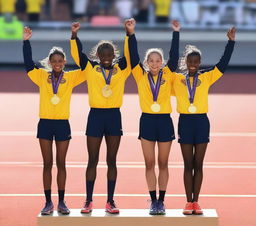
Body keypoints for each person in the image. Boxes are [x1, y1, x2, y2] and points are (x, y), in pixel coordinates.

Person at [172, 27, 236, 215]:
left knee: (198, 164)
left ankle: (196, 202)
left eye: (195, 61)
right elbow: (170, 61)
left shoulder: (207, 77)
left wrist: (231, 43)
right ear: (185, 62)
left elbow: (222, 64)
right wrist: (176, 34)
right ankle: (187, 202)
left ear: (200, 63)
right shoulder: (177, 79)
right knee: (188, 164)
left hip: (201, 122)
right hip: (185, 122)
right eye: (189, 61)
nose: (192, 64)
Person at [23, 26, 86, 215]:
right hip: (45, 124)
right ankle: (48, 202)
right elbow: (28, 64)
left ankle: (62, 201)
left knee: (61, 163)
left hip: (62, 124)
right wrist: (26, 41)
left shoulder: (72, 77)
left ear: (65, 61)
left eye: (60, 60)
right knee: (47, 163)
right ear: (49, 62)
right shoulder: (42, 76)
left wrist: (74, 37)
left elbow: (85, 66)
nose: (57, 63)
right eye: (54, 61)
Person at [70, 21, 131, 214]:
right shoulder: (91, 69)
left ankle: (110, 201)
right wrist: (74, 36)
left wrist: (129, 34)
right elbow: (77, 56)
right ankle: (88, 200)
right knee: (92, 160)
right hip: (95, 116)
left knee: (112, 160)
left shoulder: (121, 70)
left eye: (109, 55)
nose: (106, 58)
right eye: (102, 56)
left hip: (114, 116)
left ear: (114, 56)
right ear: (98, 56)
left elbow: (132, 56)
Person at [126, 18, 180, 215]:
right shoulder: (140, 75)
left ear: (162, 63)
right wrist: (131, 33)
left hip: (165, 121)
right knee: (149, 163)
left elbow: (174, 58)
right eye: (151, 61)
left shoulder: (168, 74)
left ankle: (162, 201)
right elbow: (133, 56)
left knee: (163, 163)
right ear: (146, 63)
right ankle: (153, 200)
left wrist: (176, 33)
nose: (155, 64)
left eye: (158, 61)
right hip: (147, 121)